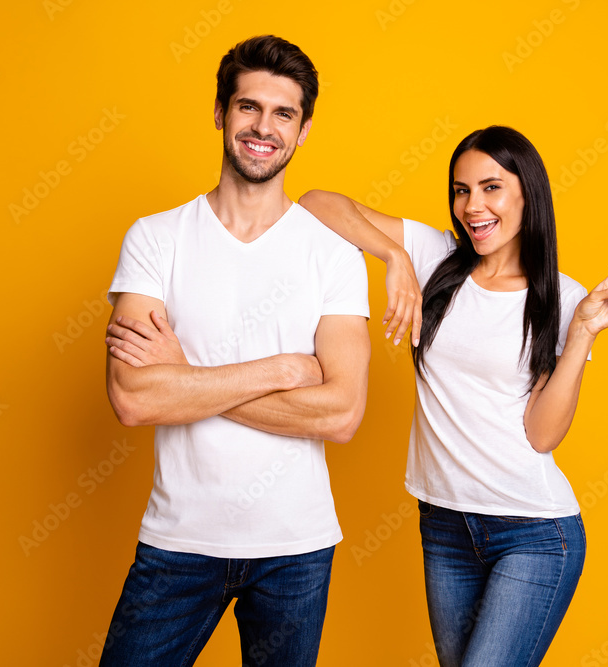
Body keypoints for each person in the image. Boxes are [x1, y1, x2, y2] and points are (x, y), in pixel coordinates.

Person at [298, 125, 608, 667]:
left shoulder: (562, 296)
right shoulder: (433, 253)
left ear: (526, 195)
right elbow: (317, 202)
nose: (473, 206)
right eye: (461, 190)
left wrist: (581, 332)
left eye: (491, 188)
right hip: (444, 525)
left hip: (534, 533)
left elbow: (542, 434)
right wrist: (394, 255)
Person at [96, 35, 371, 667]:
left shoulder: (333, 256)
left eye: (283, 114)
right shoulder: (156, 239)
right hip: (179, 540)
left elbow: (340, 414)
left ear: (303, 132)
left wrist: (184, 379)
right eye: (249, 107)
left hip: (295, 548)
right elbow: (134, 399)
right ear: (220, 112)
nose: (263, 128)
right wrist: (283, 371)